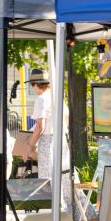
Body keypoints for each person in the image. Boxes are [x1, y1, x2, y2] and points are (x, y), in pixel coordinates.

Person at [28, 69, 71, 211]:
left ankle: (53, 212)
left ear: (35, 84)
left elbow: (40, 126)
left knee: (48, 178)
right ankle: (71, 211)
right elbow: (66, 119)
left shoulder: (41, 99)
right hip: (62, 140)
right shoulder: (57, 97)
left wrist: (30, 145)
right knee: (64, 177)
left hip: (48, 141)